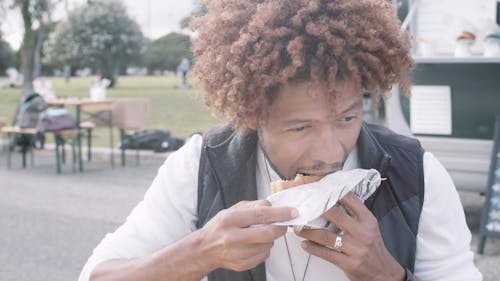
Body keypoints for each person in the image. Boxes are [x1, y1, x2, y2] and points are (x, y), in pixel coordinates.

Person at [79, 1, 483, 280]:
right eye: (300, 128)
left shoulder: (416, 172)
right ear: (253, 116)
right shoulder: (202, 166)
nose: (330, 153)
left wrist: (386, 275)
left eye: (346, 118)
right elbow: (98, 275)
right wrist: (201, 251)